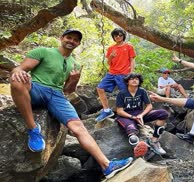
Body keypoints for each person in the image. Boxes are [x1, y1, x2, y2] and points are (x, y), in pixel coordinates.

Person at [10, 29, 133, 179]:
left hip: (57, 96)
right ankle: (33, 129)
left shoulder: (74, 63)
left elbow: (68, 90)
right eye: (69, 37)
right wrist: (18, 72)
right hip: (37, 88)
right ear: (62, 38)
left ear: (78, 43)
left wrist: (74, 80)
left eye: (75, 40)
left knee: (78, 127)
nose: (71, 41)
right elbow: (19, 68)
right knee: (16, 80)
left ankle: (107, 165)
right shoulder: (43, 51)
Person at [116, 73, 169, 155]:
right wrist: (133, 117)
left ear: (139, 81)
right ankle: (140, 154)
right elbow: (119, 111)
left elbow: (149, 106)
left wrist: (141, 115)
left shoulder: (142, 91)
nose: (134, 80)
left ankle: (154, 141)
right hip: (126, 116)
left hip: (140, 114)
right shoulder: (122, 93)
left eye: (136, 79)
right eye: (132, 79)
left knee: (163, 113)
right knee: (132, 133)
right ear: (127, 82)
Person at [96, 28, 136, 122]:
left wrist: (132, 73)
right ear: (113, 37)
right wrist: (111, 57)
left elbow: (132, 60)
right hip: (112, 73)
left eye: (120, 35)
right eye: (116, 35)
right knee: (100, 88)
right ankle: (106, 110)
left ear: (123, 36)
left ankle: (130, 113)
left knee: (125, 93)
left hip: (124, 73)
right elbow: (109, 63)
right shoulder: (111, 48)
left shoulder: (129, 47)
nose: (118, 37)